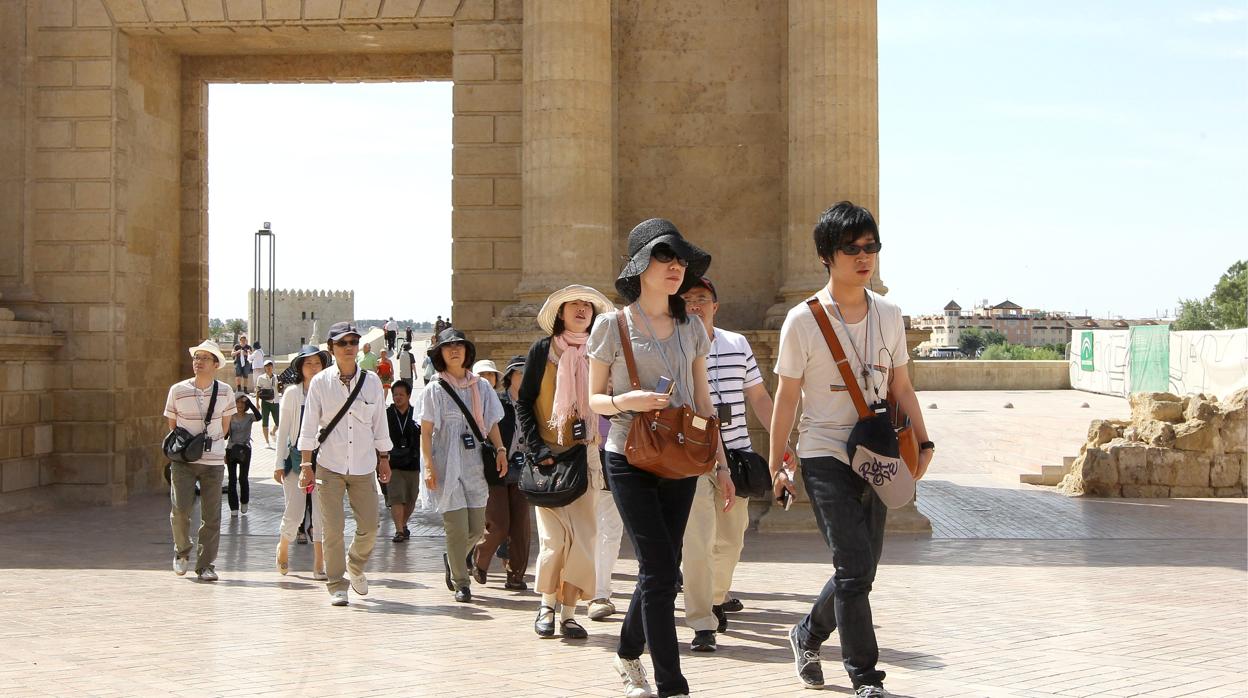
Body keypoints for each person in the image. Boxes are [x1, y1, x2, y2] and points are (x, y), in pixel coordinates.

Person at [770, 202, 933, 696]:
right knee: (854, 566)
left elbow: (902, 387)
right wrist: (780, 463)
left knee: (860, 568)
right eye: (852, 248)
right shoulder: (802, 320)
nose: (865, 257)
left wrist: (923, 442)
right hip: (824, 454)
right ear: (827, 255)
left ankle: (807, 633)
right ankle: (866, 676)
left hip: (879, 452)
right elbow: (786, 398)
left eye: (871, 247)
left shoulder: (889, 314)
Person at [588, 219, 729, 698]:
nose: (676, 268)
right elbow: (594, 401)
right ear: (640, 266)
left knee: (663, 567)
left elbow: (703, 399)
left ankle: (628, 653)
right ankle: (672, 683)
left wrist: (721, 464)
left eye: (681, 261)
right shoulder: (612, 325)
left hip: (684, 455)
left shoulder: (690, 326)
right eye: (666, 258)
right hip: (628, 455)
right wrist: (629, 401)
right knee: (660, 567)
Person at [679, 275, 793, 652]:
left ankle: (713, 597)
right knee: (698, 540)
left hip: (737, 456)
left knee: (730, 539)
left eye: (702, 298)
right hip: (692, 459)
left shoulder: (736, 344)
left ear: (715, 305)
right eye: (688, 299)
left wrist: (782, 441)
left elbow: (759, 397)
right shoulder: (674, 344)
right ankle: (702, 620)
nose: (695, 304)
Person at [517, 285, 614, 640]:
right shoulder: (543, 350)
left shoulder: (602, 351)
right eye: (574, 304)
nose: (582, 309)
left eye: (587, 305)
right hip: (549, 458)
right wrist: (536, 449)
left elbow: (611, 397)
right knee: (554, 540)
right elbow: (524, 402)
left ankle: (569, 612)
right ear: (560, 312)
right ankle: (546, 605)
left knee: (585, 539)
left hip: (587, 455)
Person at [297, 321, 393, 607]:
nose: (349, 347)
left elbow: (379, 424)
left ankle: (356, 563)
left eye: (353, 342)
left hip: (363, 465)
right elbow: (309, 425)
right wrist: (305, 464)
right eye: (343, 343)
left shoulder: (372, 381)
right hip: (330, 464)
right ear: (332, 348)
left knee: (370, 526)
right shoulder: (320, 383)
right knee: (332, 528)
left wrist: (384, 459)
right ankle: (337, 583)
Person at [418, 328, 507, 603]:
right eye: (448, 347)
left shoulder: (481, 386)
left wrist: (501, 449)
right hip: (446, 464)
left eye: (459, 346)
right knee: (456, 529)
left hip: (475, 464)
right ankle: (461, 581)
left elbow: (492, 422)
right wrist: (429, 466)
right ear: (440, 354)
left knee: (477, 529)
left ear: (467, 352)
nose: (454, 350)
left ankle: (453, 557)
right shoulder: (434, 389)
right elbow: (425, 430)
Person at [165, 340, 237, 582]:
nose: (198, 362)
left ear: (216, 364)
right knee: (180, 509)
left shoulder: (226, 391)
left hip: (214, 461)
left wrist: (213, 444)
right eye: (196, 357)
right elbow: (172, 425)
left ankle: (206, 564)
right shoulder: (177, 390)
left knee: (212, 515)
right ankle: (182, 550)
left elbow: (226, 427)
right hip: (184, 460)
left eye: (205, 358)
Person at [472, 355, 531, 591]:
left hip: (525, 470)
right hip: (497, 471)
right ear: (509, 378)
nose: (525, 377)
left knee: (521, 527)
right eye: (520, 373)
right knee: (499, 524)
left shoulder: (532, 404)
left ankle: (515, 575)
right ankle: (480, 559)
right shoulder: (497, 402)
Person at [274, 344, 329, 579]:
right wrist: (278, 462)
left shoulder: (329, 391)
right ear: (300, 367)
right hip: (296, 459)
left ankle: (319, 562)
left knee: (321, 513)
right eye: (308, 363)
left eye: (317, 363)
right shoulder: (292, 393)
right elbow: (284, 429)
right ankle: (283, 547)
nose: (313, 367)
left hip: (324, 459)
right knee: (295, 511)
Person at [590, 413, 624, 621]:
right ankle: (590, 591)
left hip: (622, 454)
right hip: (586, 454)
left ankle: (599, 594)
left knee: (610, 531)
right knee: (589, 530)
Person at [386, 379, 422, 542]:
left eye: (401, 394)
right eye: (395, 395)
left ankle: (403, 523)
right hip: (392, 463)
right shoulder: (386, 415)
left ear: (408, 396)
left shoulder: (417, 414)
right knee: (396, 497)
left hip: (413, 463)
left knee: (411, 498)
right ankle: (399, 530)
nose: (398, 398)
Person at [225, 394, 262, 516]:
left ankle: (244, 501)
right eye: (237, 403)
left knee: (243, 478)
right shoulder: (230, 417)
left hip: (245, 449)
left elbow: (259, 416)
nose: (240, 405)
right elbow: (224, 436)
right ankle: (233, 508)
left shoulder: (249, 417)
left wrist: (250, 402)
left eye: (242, 403)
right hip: (231, 449)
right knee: (232, 480)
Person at [255, 359, 280, 449]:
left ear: (272, 367)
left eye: (270, 366)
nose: (268, 368)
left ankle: (273, 432)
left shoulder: (277, 377)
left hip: (275, 401)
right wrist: (257, 403)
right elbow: (258, 390)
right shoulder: (260, 378)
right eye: (267, 366)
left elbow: (281, 389)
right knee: (265, 422)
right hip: (265, 402)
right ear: (264, 368)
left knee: (278, 422)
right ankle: (267, 442)